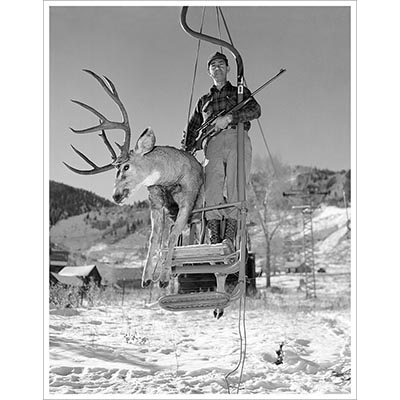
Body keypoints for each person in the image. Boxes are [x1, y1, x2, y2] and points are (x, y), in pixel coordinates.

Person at [182, 51, 261, 251]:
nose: (217, 68)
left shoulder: (239, 92)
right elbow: (192, 129)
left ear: (227, 69)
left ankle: (229, 236)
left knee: (236, 184)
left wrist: (229, 119)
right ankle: (215, 234)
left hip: (237, 137)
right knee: (212, 187)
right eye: (213, 66)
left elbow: (255, 110)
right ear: (209, 72)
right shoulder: (204, 101)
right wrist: (187, 149)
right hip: (213, 144)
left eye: (221, 65)